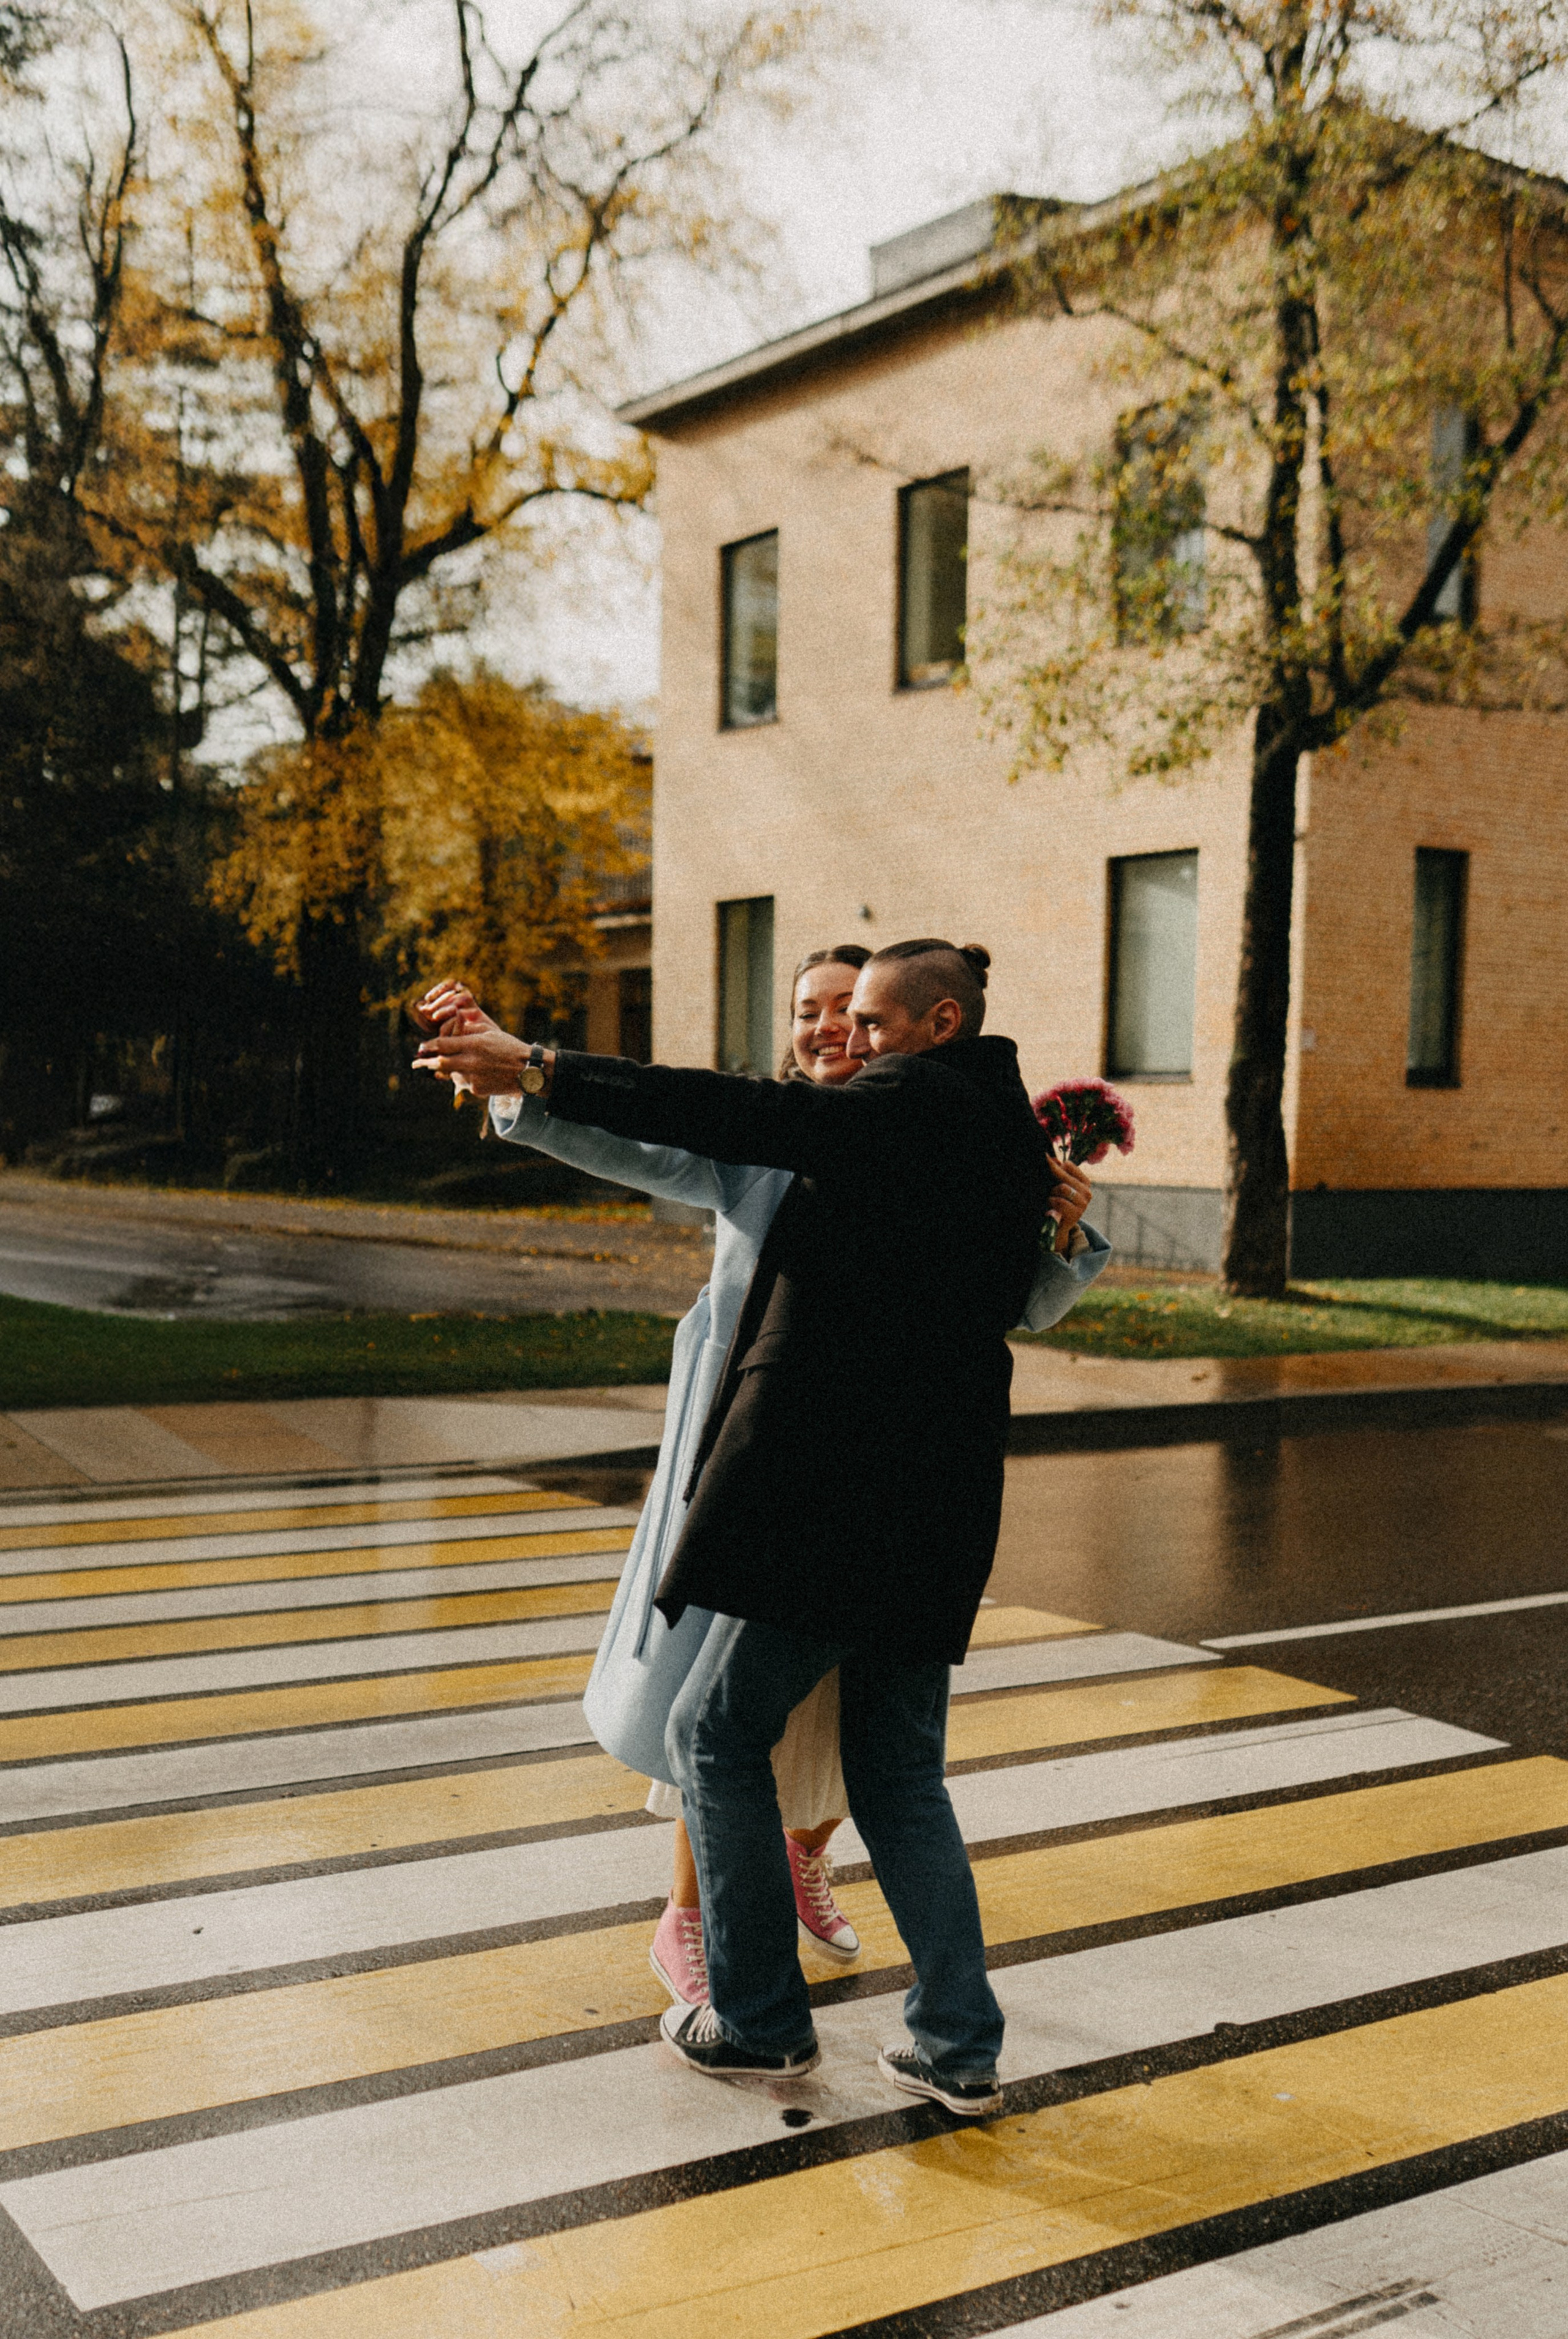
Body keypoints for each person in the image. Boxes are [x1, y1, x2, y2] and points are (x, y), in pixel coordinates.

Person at [415, 941, 1096, 2115]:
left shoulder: (895, 1108)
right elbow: (685, 1143)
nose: (848, 1040)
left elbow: (716, 1109)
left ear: (937, 1024)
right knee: (901, 1779)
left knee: (712, 1737)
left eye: (867, 1020)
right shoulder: (998, 1131)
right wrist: (525, 1084)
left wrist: (536, 1058)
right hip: (938, 1512)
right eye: (826, 1017)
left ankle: (763, 2023)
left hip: (829, 1502)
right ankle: (957, 2043)